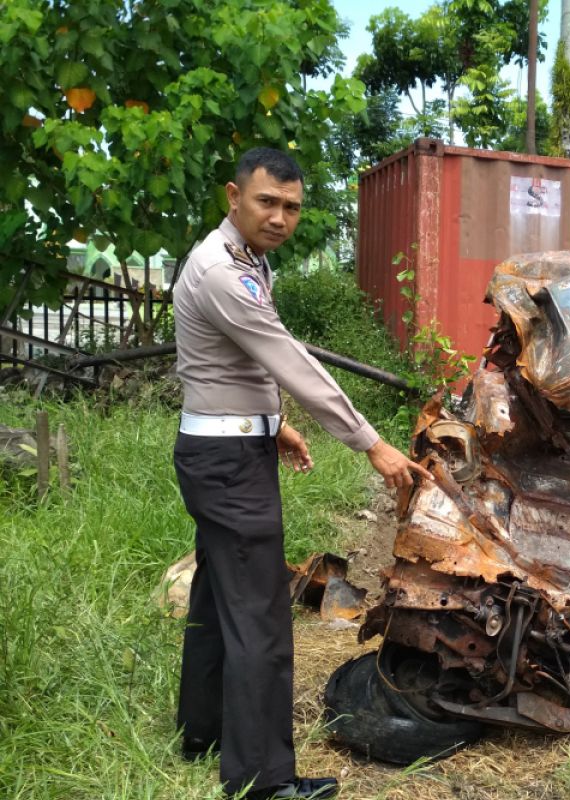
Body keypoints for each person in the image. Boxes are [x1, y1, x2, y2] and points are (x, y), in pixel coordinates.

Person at [172, 147, 430, 800]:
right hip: (228, 468)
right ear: (234, 196)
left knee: (215, 596)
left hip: (222, 452)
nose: (280, 217)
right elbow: (289, 358)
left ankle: (201, 731)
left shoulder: (245, 261)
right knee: (260, 616)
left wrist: (273, 421)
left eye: (291, 206)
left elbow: (238, 361)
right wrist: (372, 443)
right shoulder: (222, 273)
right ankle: (263, 781)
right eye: (267, 202)